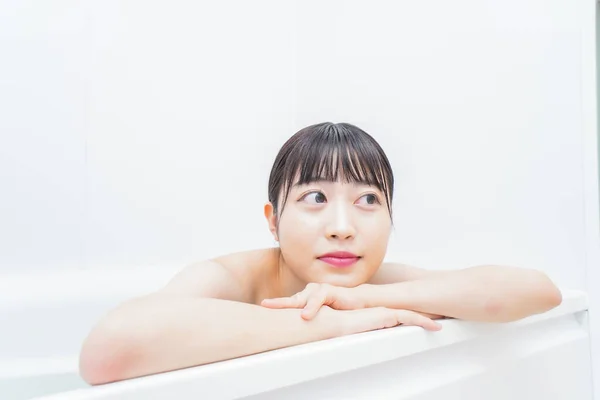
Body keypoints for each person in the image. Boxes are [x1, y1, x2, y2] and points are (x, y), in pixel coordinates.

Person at [79, 122, 562, 385]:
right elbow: (109, 352)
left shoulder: (377, 284)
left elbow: (541, 293)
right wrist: (340, 320)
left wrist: (366, 299)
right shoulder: (227, 279)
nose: (342, 228)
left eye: (368, 201)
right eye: (315, 199)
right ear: (272, 219)